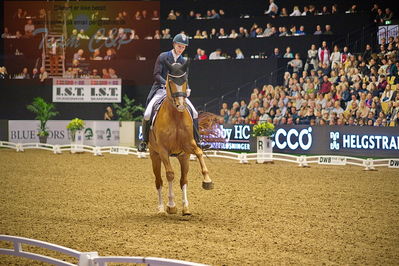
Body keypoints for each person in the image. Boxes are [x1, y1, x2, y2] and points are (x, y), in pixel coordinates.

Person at [138, 33, 209, 152]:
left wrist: (188, 88)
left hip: (177, 93)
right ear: (174, 44)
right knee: (147, 114)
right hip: (161, 89)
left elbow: (185, 78)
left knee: (195, 113)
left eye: (183, 47)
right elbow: (156, 75)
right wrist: (165, 84)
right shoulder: (163, 56)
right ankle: (144, 141)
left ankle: (198, 141)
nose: (181, 49)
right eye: (179, 46)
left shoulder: (184, 61)